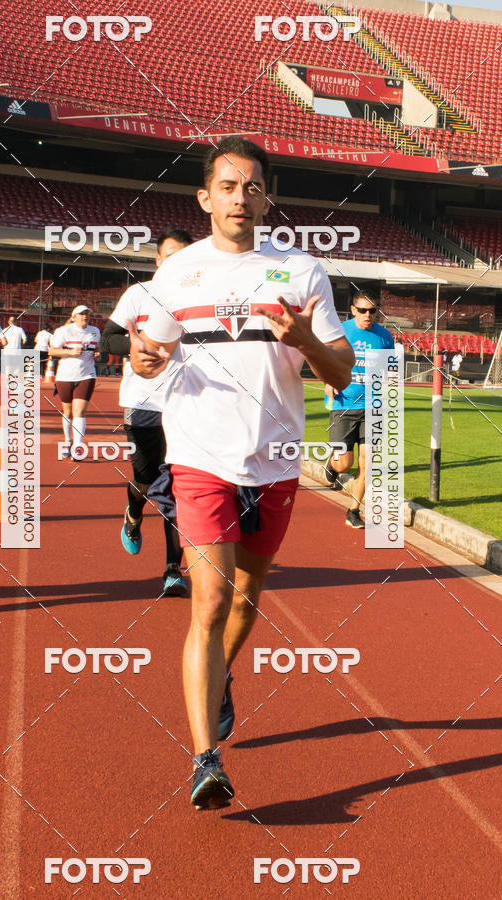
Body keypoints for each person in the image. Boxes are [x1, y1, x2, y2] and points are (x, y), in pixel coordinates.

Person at [129, 137, 354, 810]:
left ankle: (220, 678)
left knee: (247, 600)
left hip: (276, 460)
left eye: (252, 186)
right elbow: (149, 358)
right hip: (199, 456)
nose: (240, 197)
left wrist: (306, 340)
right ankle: (205, 759)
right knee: (212, 601)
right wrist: (144, 362)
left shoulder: (303, 272)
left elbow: (341, 374)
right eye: (228, 186)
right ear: (205, 197)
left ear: (266, 197)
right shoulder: (176, 275)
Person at [100, 226, 193, 598]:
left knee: (176, 488)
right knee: (145, 479)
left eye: (184, 257)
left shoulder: (201, 300)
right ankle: (133, 512)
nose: (176, 263)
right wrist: (136, 345)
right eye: (170, 256)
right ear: (157, 260)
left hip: (186, 406)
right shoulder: (139, 295)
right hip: (142, 404)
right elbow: (107, 338)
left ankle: (173, 569)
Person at [324, 290, 394, 529]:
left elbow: (388, 370)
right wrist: (328, 380)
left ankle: (353, 510)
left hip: (373, 406)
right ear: (353, 309)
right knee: (344, 463)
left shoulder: (385, 337)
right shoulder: (340, 331)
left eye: (372, 311)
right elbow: (325, 359)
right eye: (363, 310)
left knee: (369, 463)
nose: (368, 315)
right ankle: (332, 465)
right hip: (344, 403)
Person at [48, 305, 101, 458]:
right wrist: (70, 352)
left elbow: (96, 348)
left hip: (86, 375)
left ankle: (78, 446)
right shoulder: (63, 331)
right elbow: (52, 351)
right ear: (74, 317)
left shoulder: (95, 331)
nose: (84, 316)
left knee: (80, 411)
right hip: (65, 376)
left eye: (87, 314)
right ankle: (67, 440)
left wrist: (97, 354)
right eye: (81, 314)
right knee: (68, 411)